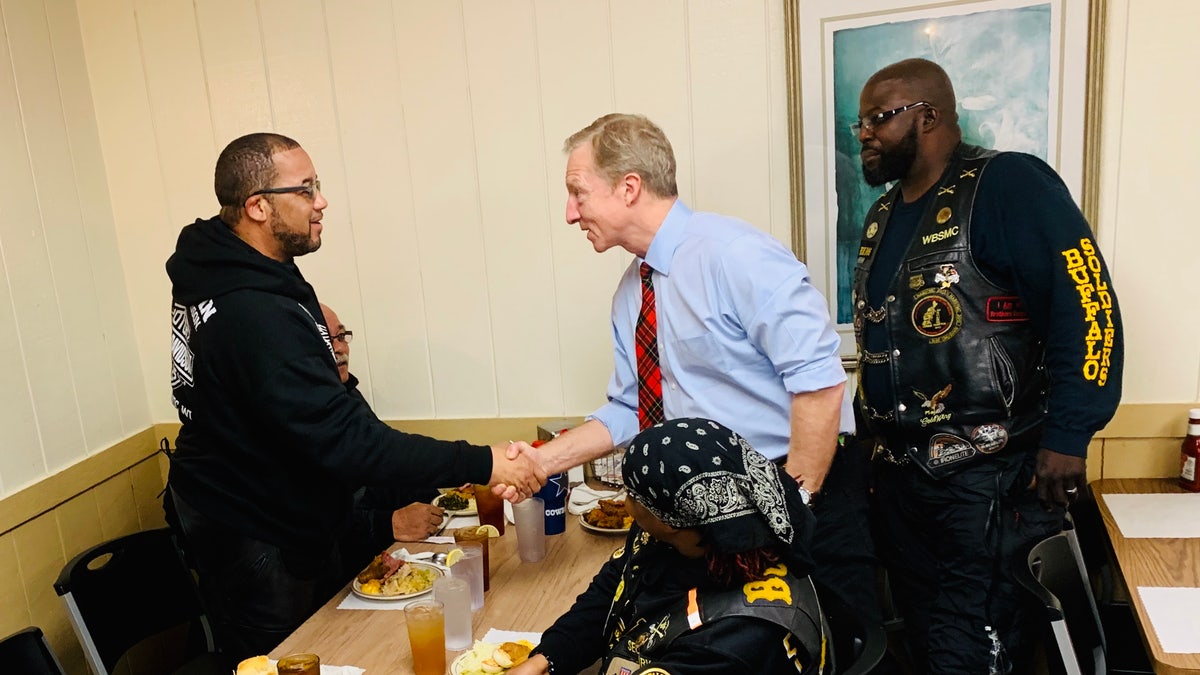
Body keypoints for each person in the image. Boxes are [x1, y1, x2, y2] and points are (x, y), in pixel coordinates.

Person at [165, 132, 544, 666]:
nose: (321, 201)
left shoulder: (232, 276)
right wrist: (485, 460)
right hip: (256, 539)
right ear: (256, 206)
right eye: (306, 189)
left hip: (274, 519)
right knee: (296, 659)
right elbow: (346, 442)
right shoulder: (250, 310)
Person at [503, 113, 877, 617]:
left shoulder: (736, 255)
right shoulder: (630, 295)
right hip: (711, 514)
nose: (570, 213)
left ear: (629, 187)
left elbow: (820, 384)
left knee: (824, 644)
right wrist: (541, 462)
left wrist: (793, 505)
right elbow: (632, 407)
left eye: (578, 192)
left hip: (807, 489)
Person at [850, 58, 1123, 673]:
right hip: (900, 484)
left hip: (989, 478)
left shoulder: (1008, 184)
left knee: (974, 647)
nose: (865, 132)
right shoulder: (882, 216)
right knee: (922, 641)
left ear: (929, 115)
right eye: (860, 123)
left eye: (879, 118)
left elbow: (1087, 305)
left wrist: (1070, 433)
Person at [510, 418, 826, 675]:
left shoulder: (734, 639)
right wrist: (546, 660)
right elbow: (613, 591)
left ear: (669, 520)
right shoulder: (692, 539)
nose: (624, 501)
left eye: (632, 494)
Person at [317, 302, 447, 578]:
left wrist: (442, 492)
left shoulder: (347, 393)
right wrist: (389, 524)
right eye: (327, 340)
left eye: (341, 337)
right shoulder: (302, 414)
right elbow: (318, 517)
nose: (340, 348)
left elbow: (388, 468)